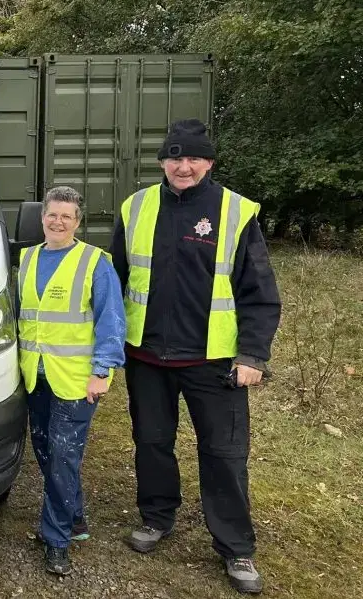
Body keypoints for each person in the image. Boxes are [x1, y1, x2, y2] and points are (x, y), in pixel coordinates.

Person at [110, 119, 281, 595]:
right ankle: (157, 517)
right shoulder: (136, 207)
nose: (183, 167)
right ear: (163, 161)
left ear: (209, 162)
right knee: (151, 442)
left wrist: (252, 354)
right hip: (147, 357)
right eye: (174, 157)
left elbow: (259, 292)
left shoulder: (235, 211)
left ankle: (235, 547)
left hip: (215, 363)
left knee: (224, 454)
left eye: (194, 158)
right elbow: (114, 281)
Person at [16, 185, 127, 576]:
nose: (58, 221)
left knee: (64, 457)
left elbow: (111, 318)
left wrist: (103, 370)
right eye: (52, 214)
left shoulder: (95, 262)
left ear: (78, 222)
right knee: (46, 452)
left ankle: (57, 538)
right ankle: (75, 518)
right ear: (41, 218)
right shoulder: (26, 259)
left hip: (78, 380)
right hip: (34, 376)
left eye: (67, 216)